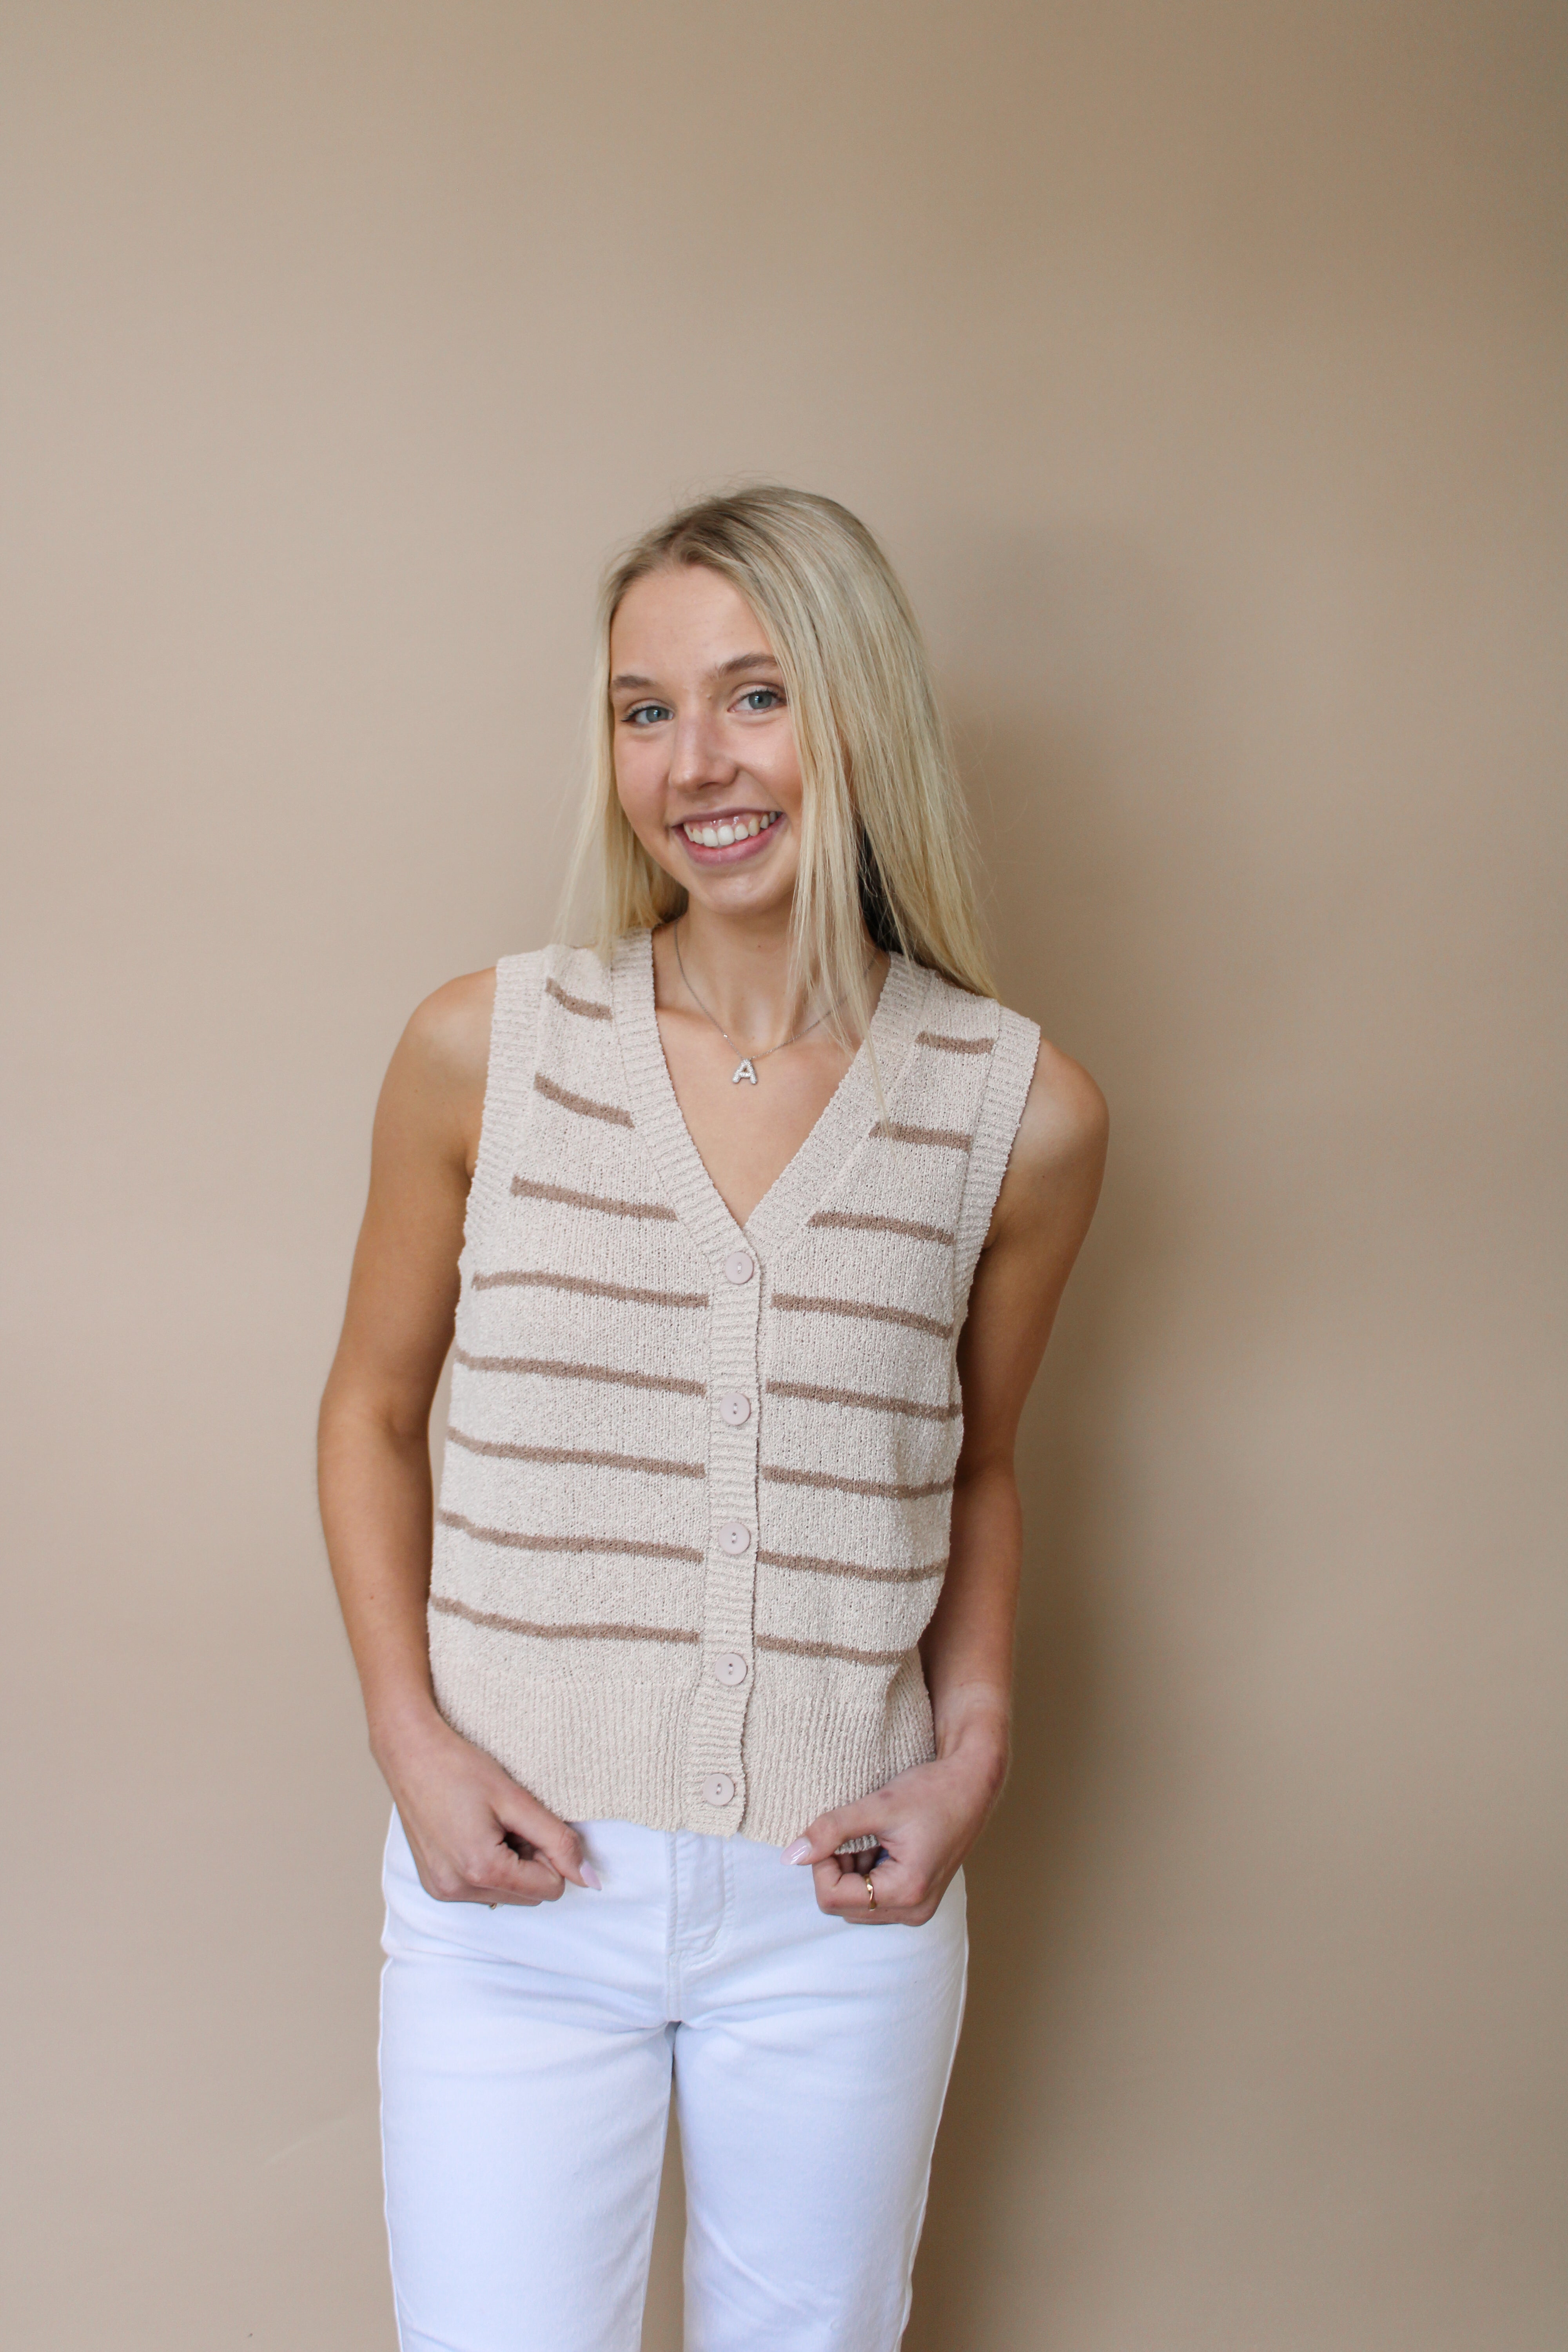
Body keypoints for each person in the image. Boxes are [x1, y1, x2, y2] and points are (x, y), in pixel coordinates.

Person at [318, 485, 1107, 2352]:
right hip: (514, 1901)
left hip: (836, 1916)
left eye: (756, 697)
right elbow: (370, 1407)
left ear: (859, 716)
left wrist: (970, 1755)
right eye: (643, 710)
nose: (695, 765)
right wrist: (411, 1742)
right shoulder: (484, 1050)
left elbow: (974, 1465)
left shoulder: (1019, 1113)